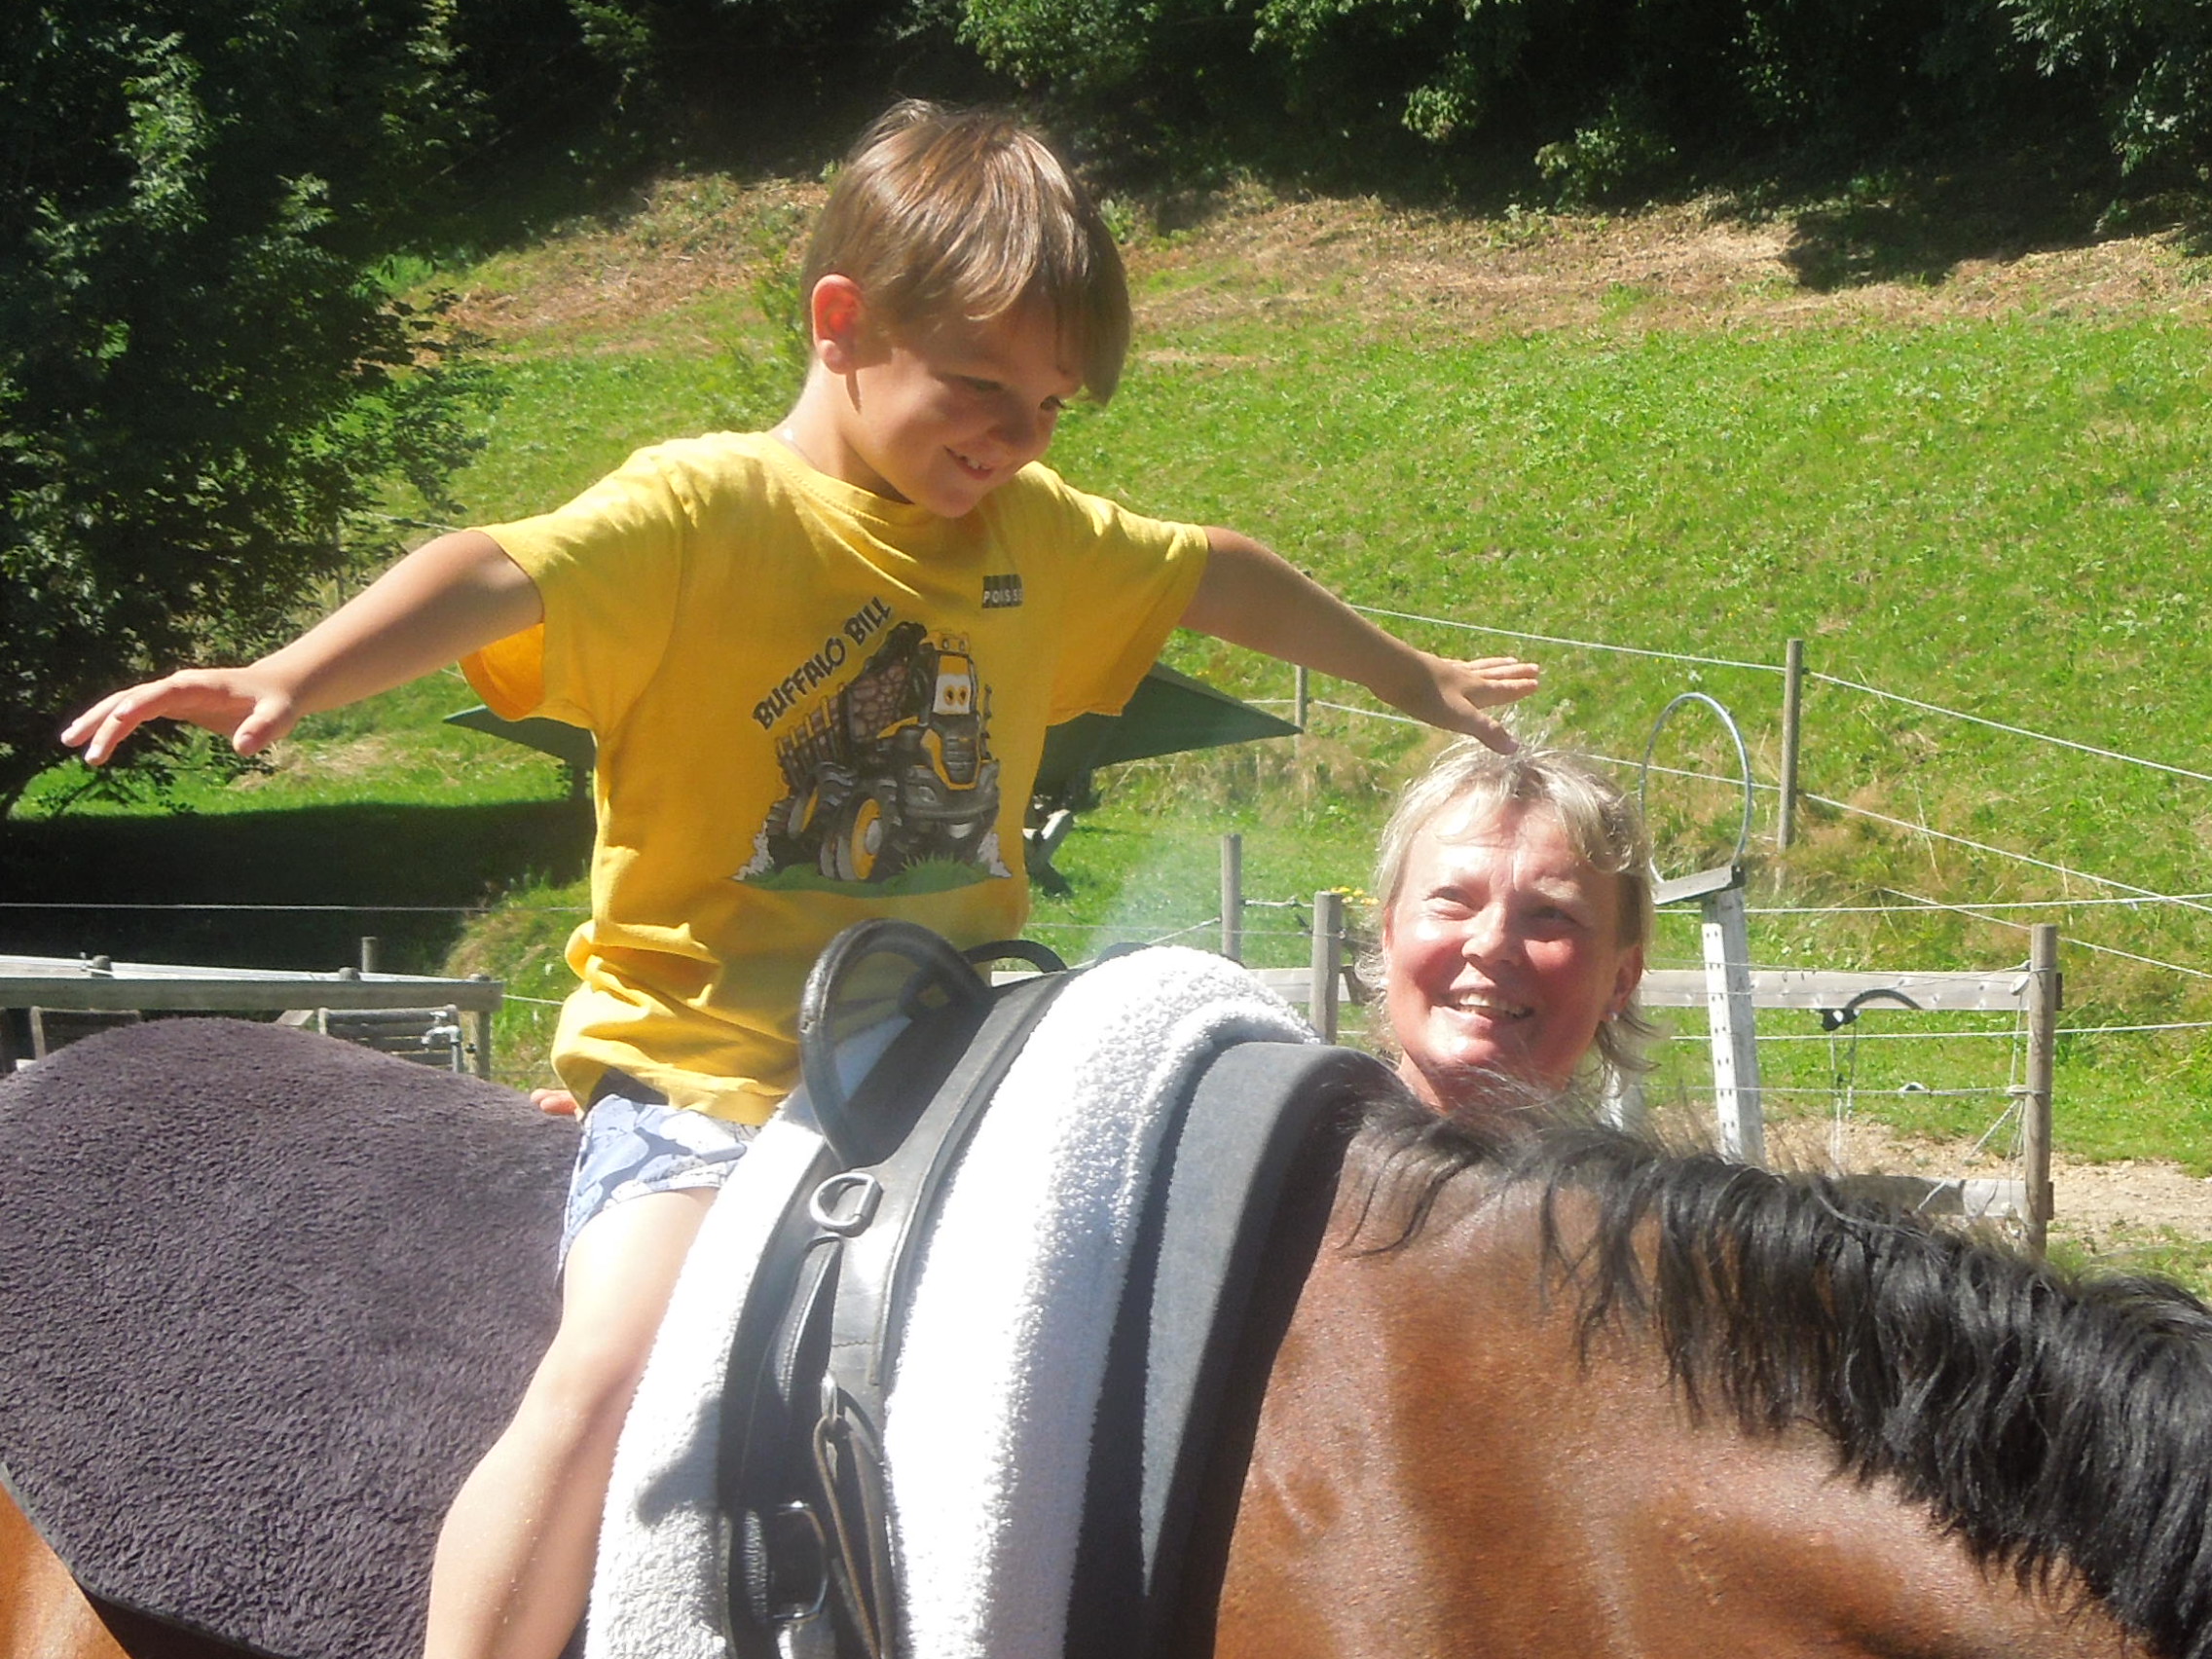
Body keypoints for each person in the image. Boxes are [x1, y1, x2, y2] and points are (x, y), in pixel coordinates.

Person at [59, 102, 1538, 1659]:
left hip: (949, 1081)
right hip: (713, 1078)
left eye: (1049, 406)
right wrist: (296, 671)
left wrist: (1409, 674)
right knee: (612, 1373)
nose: (1016, 438)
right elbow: (496, 569)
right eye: (982, 387)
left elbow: (1214, 567)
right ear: (843, 324)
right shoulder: (702, 512)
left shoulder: (1035, 535)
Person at [1367, 741, 1653, 1116]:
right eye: (1452, 899)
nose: (1491, 943)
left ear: (1621, 980)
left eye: (1550, 914)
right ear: (1389, 937)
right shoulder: (1293, 1139)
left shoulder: (1652, 1165)